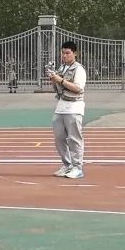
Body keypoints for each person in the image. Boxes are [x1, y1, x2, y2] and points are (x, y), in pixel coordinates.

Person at [48, 41, 87, 179]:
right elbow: (57, 89)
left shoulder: (79, 69)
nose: (64, 55)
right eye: (63, 53)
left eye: (67, 53)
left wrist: (60, 80)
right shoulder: (62, 68)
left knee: (74, 139)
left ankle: (77, 167)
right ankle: (67, 165)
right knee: (59, 138)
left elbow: (78, 88)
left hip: (74, 108)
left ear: (75, 53)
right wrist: (53, 80)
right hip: (61, 107)